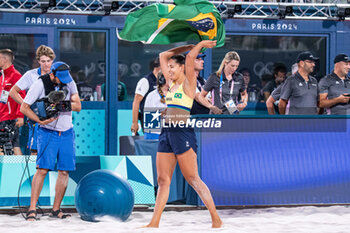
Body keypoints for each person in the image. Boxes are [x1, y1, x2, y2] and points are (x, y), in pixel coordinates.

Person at [145, 40, 222, 228]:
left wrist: (200, 44)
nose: (168, 70)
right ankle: (154, 223)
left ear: (182, 68)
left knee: (193, 178)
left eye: (173, 67)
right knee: (163, 180)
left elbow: (189, 58)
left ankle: (216, 219)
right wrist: (182, 48)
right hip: (166, 132)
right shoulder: (170, 84)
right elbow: (163, 55)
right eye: (168, 68)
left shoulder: (189, 84)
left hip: (182, 133)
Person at [20, 61, 81, 221]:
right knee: (42, 170)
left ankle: (56, 209)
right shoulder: (40, 84)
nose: (63, 81)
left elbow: (78, 106)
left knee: (64, 171)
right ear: (52, 74)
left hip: (67, 132)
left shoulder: (69, 81)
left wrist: (57, 105)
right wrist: (39, 121)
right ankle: (32, 208)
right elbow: (24, 107)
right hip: (47, 132)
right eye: (60, 77)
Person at [10, 45, 56, 155]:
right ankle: (34, 172)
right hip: (36, 118)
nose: (46, 64)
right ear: (38, 61)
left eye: (48, 61)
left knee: (52, 152)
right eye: (43, 61)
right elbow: (13, 92)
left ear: (52, 60)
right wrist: (26, 105)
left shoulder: (57, 74)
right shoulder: (31, 75)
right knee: (35, 151)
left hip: (54, 118)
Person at [0, 49, 25, 155]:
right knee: (3, 146)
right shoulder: (2, 76)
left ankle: (21, 170)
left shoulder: (16, 75)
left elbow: (22, 96)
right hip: (2, 116)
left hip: (11, 118)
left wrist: (20, 116)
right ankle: (4, 171)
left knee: (15, 146)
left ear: (4, 59)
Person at [131, 58, 161, 135]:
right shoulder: (145, 81)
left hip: (162, 116)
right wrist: (135, 123)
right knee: (152, 142)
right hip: (149, 117)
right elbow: (136, 102)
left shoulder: (163, 82)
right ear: (158, 67)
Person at [143, 73, 168, 139]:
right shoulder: (152, 96)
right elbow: (150, 120)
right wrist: (164, 113)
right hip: (155, 135)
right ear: (163, 80)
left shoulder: (175, 94)